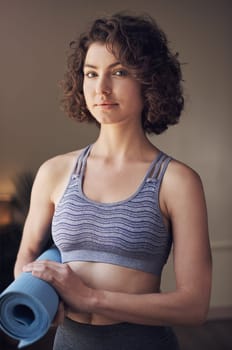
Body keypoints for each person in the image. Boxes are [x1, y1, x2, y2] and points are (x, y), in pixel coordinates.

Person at [14, 12, 212, 350]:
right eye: (91, 74)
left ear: (150, 81)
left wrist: (91, 298)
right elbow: (25, 259)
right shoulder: (55, 172)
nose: (101, 88)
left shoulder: (177, 182)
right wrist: (42, 293)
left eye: (118, 72)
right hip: (68, 342)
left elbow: (194, 306)